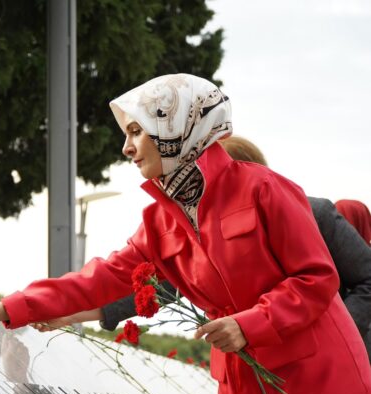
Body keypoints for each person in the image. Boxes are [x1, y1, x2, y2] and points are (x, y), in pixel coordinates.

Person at [0, 74, 371, 394]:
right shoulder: (161, 219)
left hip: (318, 387)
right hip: (242, 390)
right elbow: (99, 279)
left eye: (135, 132)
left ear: (176, 127)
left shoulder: (265, 189)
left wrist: (248, 324)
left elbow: (317, 278)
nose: (126, 148)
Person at [53, 135, 371, 362]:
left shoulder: (312, 214)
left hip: (334, 367)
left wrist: (339, 335)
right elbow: (159, 290)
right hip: (259, 374)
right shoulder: (201, 238)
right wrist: (65, 312)